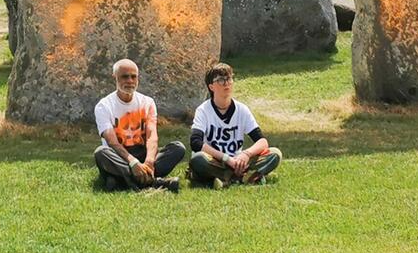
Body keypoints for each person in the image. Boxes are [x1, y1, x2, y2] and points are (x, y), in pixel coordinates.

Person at [93, 58, 185, 193]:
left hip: (142, 152)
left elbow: (152, 136)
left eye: (133, 77)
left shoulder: (147, 102)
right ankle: (155, 182)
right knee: (101, 152)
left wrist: (149, 161)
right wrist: (133, 163)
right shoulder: (104, 106)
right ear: (115, 78)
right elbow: (112, 142)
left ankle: (120, 180)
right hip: (119, 156)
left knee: (178, 148)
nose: (130, 81)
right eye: (125, 77)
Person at [188, 63, 282, 188]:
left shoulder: (242, 109)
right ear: (211, 87)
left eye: (229, 78)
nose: (226, 83)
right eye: (220, 80)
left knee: (275, 154)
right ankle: (242, 177)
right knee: (198, 159)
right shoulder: (203, 110)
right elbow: (195, 143)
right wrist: (227, 159)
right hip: (216, 161)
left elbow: (262, 141)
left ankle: (226, 178)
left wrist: (246, 154)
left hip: (238, 161)